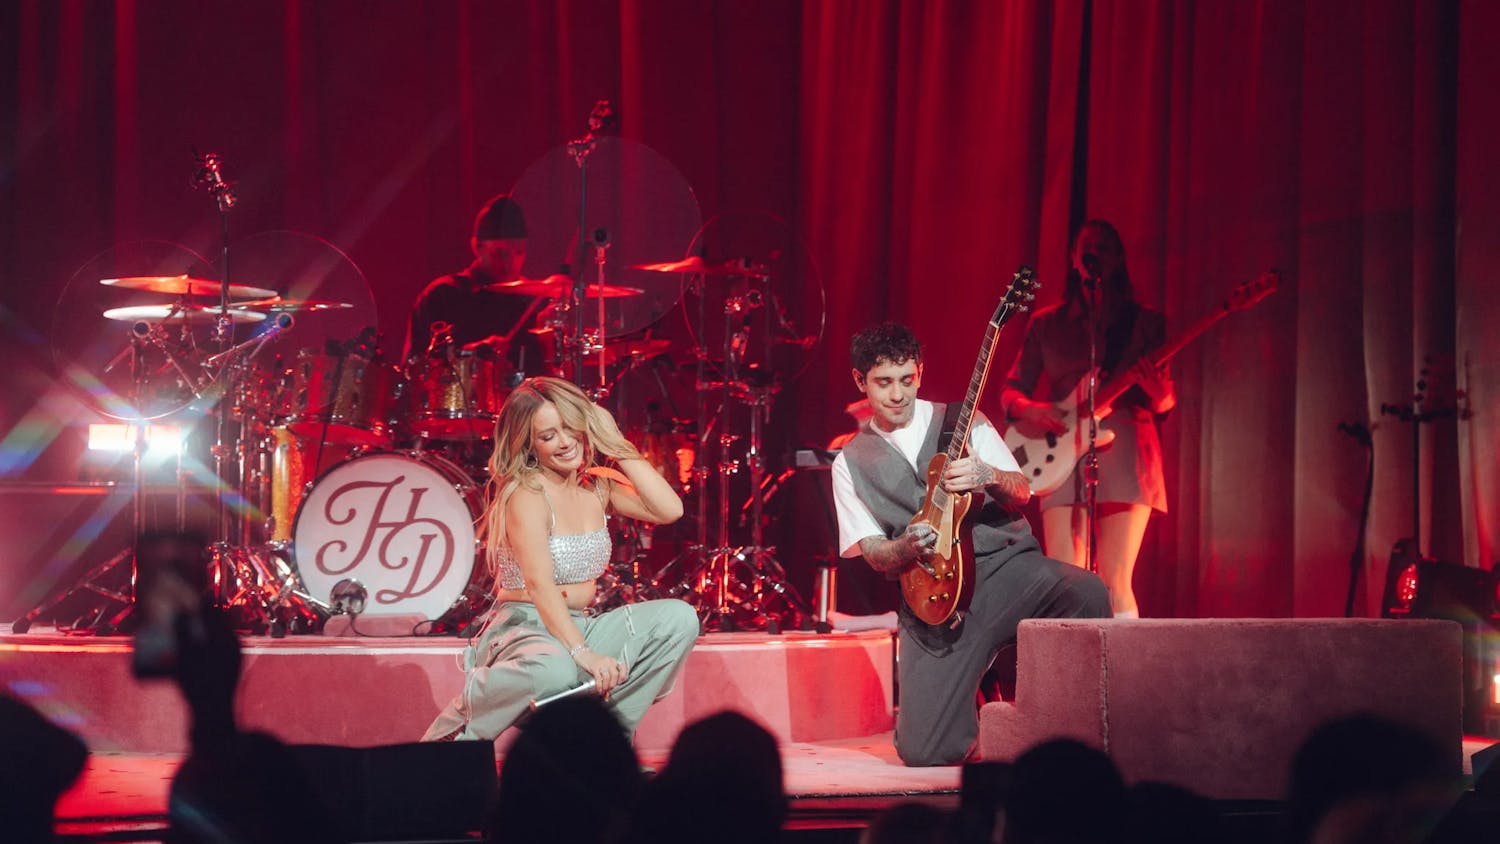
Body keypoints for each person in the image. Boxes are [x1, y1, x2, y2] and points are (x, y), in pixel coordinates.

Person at [830, 323, 1111, 767]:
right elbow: (872, 551)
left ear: (920, 373)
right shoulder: (849, 461)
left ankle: (1076, 739)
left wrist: (988, 475)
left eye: (907, 379)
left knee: (1088, 593)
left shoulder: (961, 420)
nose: (898, 394)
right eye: (884, 383)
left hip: (1005, 571)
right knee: (926, 752)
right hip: (935, 602)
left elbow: (1022, 491)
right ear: (860, 382)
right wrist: (904, 547)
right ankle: (981, 703)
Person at [423, 376, 700, 743]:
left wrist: (617, 444)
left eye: (571, 427)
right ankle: (461, 727)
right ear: (530, 444)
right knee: (555, 667)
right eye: (549, 435)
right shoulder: (526, 494)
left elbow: (670, 510)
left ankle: (606, 743)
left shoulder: (598, 485)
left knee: (679, 619)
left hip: (580, 625)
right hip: (525, 630)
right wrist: (582, 653)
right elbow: (539, 585)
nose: (566, 442)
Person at [999, 220, 1175, 617]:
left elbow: (1165, 403)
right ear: (1074, 259)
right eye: (1087, 246)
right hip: (1060, 448)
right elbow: (1010, 392)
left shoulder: (1145, 323)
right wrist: (1035, 410)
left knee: (1115, 579)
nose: (1095, 252)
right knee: (1066, 579)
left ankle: (1126, 675)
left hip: (1126, 442)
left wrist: (1161, 394)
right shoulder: (1047, 323)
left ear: (1118, 260)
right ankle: (1072, 675)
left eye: (1105, 247)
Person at [403, 193, 549, 375]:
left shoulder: (533, 300)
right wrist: (472, 353)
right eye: (501, 253)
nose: (511, 261)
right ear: (477, 246)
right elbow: (415, 365)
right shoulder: (442, 295)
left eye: (519, 251)